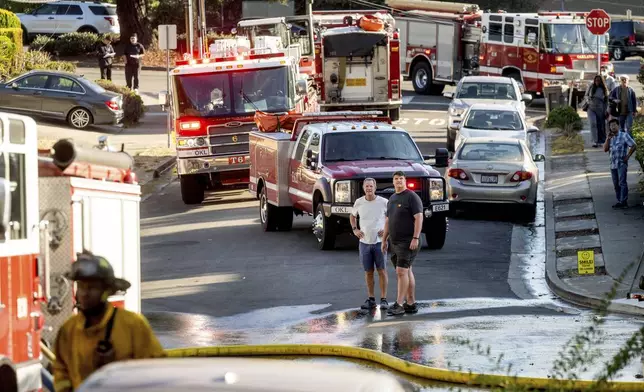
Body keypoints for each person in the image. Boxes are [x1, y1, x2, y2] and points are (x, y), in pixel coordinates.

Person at [53, 251, 165, 392]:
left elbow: (156, 370)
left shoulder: (133, 325)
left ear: (107, 291)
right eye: (81, 287)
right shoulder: (69, 330)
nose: (85, 293)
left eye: (92, 287)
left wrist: (118, 368)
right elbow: (61, 372)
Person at [381, 171, 423, 316]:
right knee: (407, 270)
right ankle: (411, 303)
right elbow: (388, 221)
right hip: (394, 242)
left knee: (401, 271)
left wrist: (416, 238)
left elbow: (419, 218)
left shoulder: (411, 197)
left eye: (401, 178)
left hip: (408, 241)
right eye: (396, 179)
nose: (398, 181)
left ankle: (399, 304)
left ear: (405, 180)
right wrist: (384, 239)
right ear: (393, 182)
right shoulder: (392, 198)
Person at [350, 178, 389, 310]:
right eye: (366, 186)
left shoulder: (383, 202)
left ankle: (383, 299)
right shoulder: (359, 202)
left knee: (382, 271)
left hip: (379, 242)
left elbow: (391, 217)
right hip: (364, 242)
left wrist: (386, 230)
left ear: (375, 187)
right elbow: (352, 215)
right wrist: (355, 229)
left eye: (371, 186)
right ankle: (371, 299)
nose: (369, 188)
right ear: (363, 188)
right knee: (368, 272)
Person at [603, 119, 637, 209]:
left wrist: (628, 156)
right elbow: (605, 149)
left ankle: (623, 201)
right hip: (613, 164)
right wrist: (607, 139)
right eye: (611, 125)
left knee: (622, 182)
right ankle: (619, 201)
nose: (613, 127)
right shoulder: (610, 137)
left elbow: (634, 145)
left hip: (621, 163)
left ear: (618, 126)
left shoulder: (624, 135)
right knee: (616, 184)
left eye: (614, 125)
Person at [585, 74, 608, 147]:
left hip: (600, 108)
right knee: (593, 123)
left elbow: (606, 101)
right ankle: (594, 141)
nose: (597, 82)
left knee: (600, 125)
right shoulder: (591, 86)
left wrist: (606, 110)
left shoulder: (604, 89)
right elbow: (586, 95)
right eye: (595, 80)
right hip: (591, 108)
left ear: (601, 81)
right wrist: (588, 101)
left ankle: (601, 141)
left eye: (598, 81)